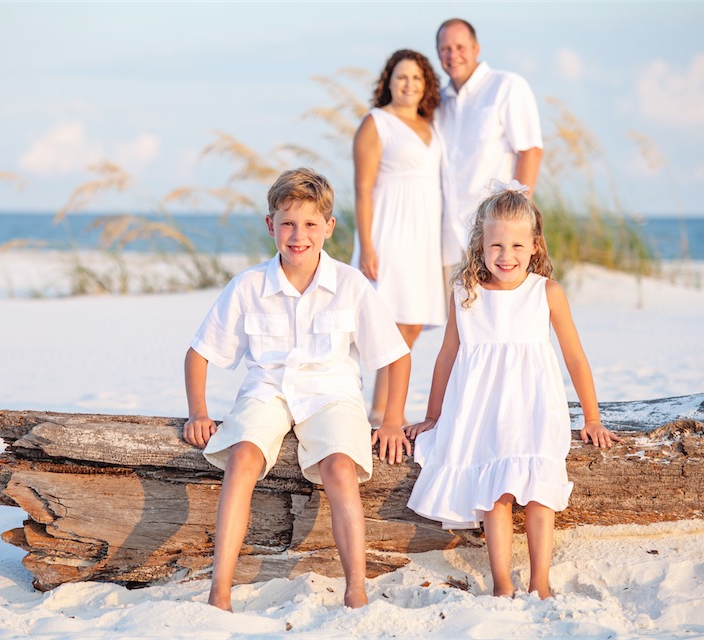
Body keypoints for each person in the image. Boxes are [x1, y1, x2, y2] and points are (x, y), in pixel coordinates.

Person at [183, 167, 413, 612]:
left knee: (340, 468)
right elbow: (199, 352)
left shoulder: (350, 285)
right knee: (243, 458)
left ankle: (356, 589)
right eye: (287, 223)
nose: (298, 235)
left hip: (332, 394)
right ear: (271, 225)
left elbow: (395, 355)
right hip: (267, 391)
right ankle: (220, 592)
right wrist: (198, 412)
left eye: (310, 224)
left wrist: (392, 420)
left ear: (329, 227)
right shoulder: (248, 286)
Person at [405, 181, 620, 599]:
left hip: (534, 407)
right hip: (481, 410)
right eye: (497, 246)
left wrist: (591, 417)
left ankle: (540, 581)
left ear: (535, 246)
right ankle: (502, 583)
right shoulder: (466, 294)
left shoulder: (547, 293)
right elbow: (447, 356)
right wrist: (434, 415)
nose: (507, 256)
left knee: (540, 491)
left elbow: (576, 358)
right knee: (494, 493)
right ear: (480, 246)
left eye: (518, 246)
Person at [352, 49, 447, 425]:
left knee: (412, 322)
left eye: (417, 78)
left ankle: (383, 406)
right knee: (387, 320)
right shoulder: (376, 122)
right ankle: (384, 409)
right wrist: (367, 246)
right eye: (402, 77)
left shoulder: (432, 124)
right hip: (389, 229)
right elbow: (362, 188)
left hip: (423, 233)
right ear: (388, 81)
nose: (409, 84)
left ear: (426, 86)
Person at [435, 17, 544, 271]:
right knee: (451, 310)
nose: (453, 55)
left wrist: (513, 222)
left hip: (493, 236)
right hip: (447, 239)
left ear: (476, 48)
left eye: (460, 47)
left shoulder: (506, 86)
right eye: (445, 49)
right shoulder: (438, 102)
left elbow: (530, 151)